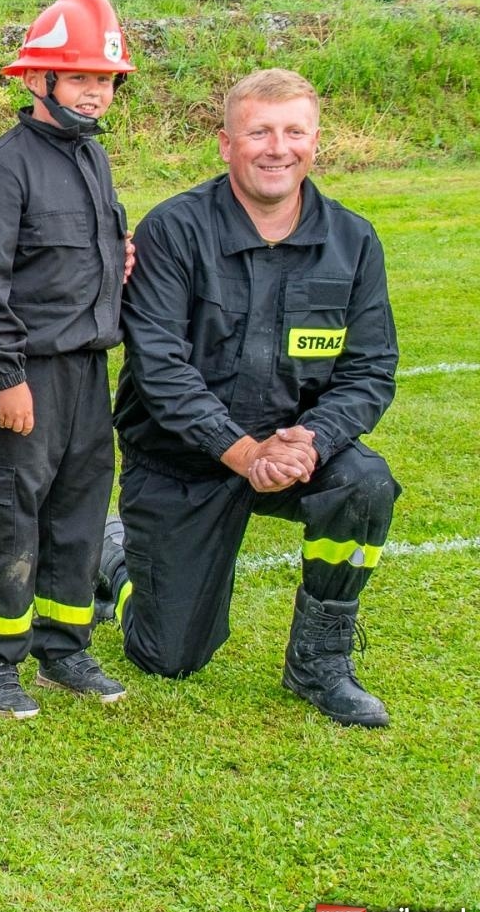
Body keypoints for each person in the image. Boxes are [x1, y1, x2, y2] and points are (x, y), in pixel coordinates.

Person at [101, 68, 399, 727]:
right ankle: (115, 560)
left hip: (292, 454)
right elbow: (159, 369)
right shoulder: (174, 230)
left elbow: (371, 369)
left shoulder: (354, 241)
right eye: (258, 131)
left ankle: (320, 661)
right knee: (169, 656)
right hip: (184, 461)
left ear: (316, 141)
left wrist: (312, 440)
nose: (277, 148)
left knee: (365, 484)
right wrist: (241, 451)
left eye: (294, 131)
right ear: (225, 143)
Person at [0, 0, 136, 719]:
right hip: (29, 375)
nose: (96, 92)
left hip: (90, 371)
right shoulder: (3, 167)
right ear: (38, 81)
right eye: (81, 76)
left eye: (105, 79)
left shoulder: (92, 156)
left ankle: (64, 644)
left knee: (80, 509)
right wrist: (5, 376)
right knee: (12, 512)